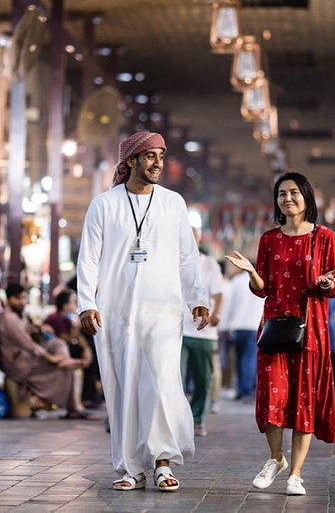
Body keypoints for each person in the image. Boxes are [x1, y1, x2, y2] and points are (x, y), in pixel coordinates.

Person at [77, 131, 210, 492]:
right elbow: (87, 258)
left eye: (161, 156)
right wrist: (87, 303)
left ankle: (162, 461)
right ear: (130, 161)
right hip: (117, 312)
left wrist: (198, 296)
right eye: (150, 156)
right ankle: (129, 467)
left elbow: (187, 255)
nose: (157, 163)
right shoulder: (104, 205)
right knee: (123, 390)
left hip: (164, 310)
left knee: (163, 384)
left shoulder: (174, 203)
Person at [225, 171, 335, 496]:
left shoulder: (324, 237)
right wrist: (251, 272)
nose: (287, 199)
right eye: (281, 194)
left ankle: (297, 475)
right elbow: (264, 289)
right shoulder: (268, 239)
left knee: (303, 399)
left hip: (311, 330)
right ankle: (276, 459)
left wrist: (328, 283)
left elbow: (334, 282)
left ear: (306, 197)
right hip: (274, 328)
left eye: (293, 193)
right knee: (272, 397)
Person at [0, 283, 95, 419]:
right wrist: (51, 358)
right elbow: (28, 344)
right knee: (66, 368)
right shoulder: (9, 318)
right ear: (9, 299)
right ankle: (75, 408)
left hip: (26, 358)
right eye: (19, 299)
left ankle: (64, 361)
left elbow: (26, 334)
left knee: (57, 343)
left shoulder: (16, 315)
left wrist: (38, 326)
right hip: (18, 365)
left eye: (24, 299)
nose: (22, 303)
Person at [180, 228, 223, 437]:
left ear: (198, 240)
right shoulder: (172, 261)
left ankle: (197, 418)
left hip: (203, 331)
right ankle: (177, 421)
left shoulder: (209, 264)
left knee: (202, 377)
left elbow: (218, 293)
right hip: (177, 330)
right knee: (174, 377)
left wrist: (216, 313)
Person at [43, 289, 94, 408]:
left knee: (90, 351)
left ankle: (88, 396)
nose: (75, 305)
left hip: (65, 349)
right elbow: (66, 339)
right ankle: (85, 397)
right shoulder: (54, 318)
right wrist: (78, 325)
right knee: (81, 355)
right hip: (55, 352)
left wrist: (87, 350)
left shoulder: (66, 318)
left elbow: (79, 337)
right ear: (65, 305)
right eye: (72, 302)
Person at [221, 263, 263, 402]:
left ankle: (240, 388)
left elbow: (229, 305)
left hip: (238, 325)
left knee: (238, 359)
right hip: (254, 326)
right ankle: (246, 390)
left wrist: (225, 325)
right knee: (250, 359)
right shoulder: (262, 281)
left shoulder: (236, 281)